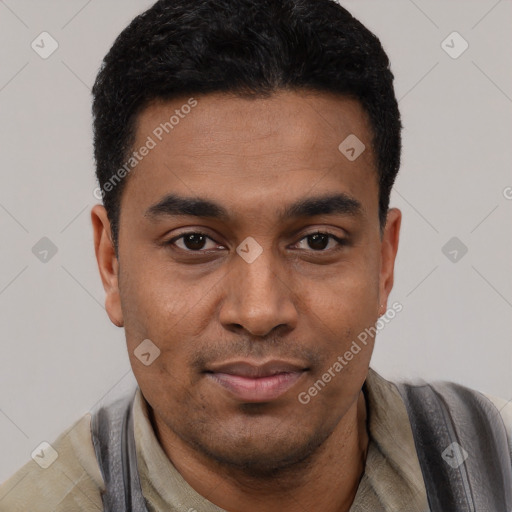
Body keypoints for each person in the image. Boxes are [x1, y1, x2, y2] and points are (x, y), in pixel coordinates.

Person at [1, 0, 511, 510]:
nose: (260, 311)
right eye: (194, 242)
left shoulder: (497, 467)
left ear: (384, 262)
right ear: (111, 264)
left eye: (317, 241)